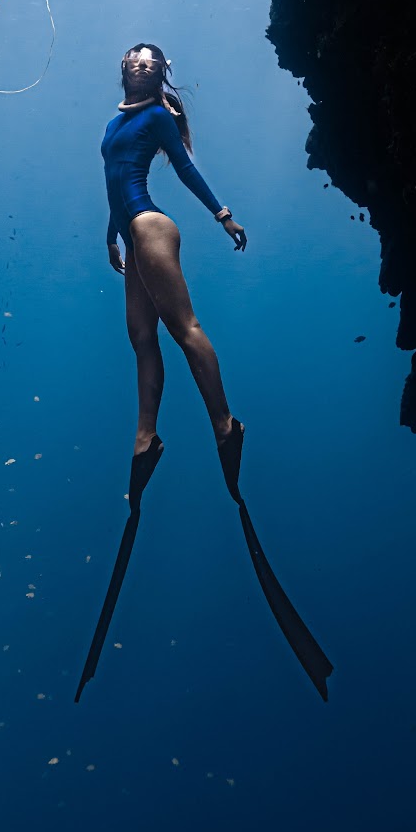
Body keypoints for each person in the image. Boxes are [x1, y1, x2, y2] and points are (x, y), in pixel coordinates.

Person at [102, 43, 248, 503]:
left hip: (149, 226)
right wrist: (110, 235)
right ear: (123, 66)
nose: (142, 61)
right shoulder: (112, 123)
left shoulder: (159, 117)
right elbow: (113, 181)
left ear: (161, 71)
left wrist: (222, 214)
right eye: (135, 56)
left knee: (183, 328)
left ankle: (225, 424)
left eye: (152, 59)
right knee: (142, 338)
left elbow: (185, 169)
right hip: (129, 233)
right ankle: (147, 439)